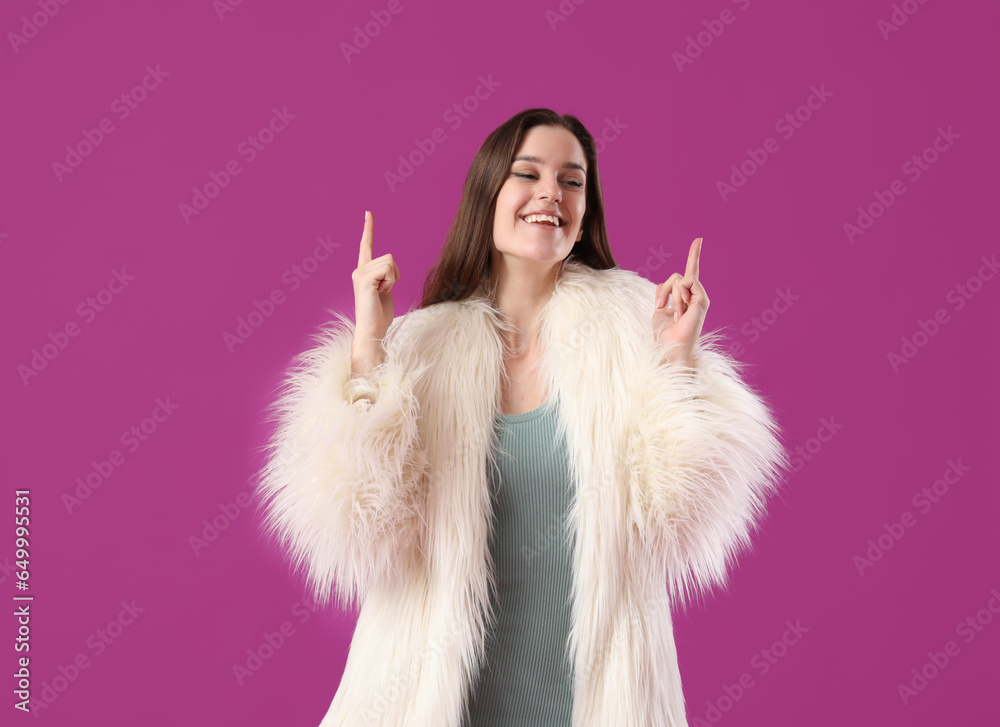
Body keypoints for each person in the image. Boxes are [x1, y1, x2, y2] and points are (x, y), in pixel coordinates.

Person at [253, 108, 789, 727]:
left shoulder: (635, 331)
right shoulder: (421, 348)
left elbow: (680, 520)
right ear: (488, 193)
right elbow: (356, 524)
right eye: (527, 173)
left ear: (586, 209)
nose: (550, 194)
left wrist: (676, 358)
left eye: (572, 180)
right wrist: (370, 347)